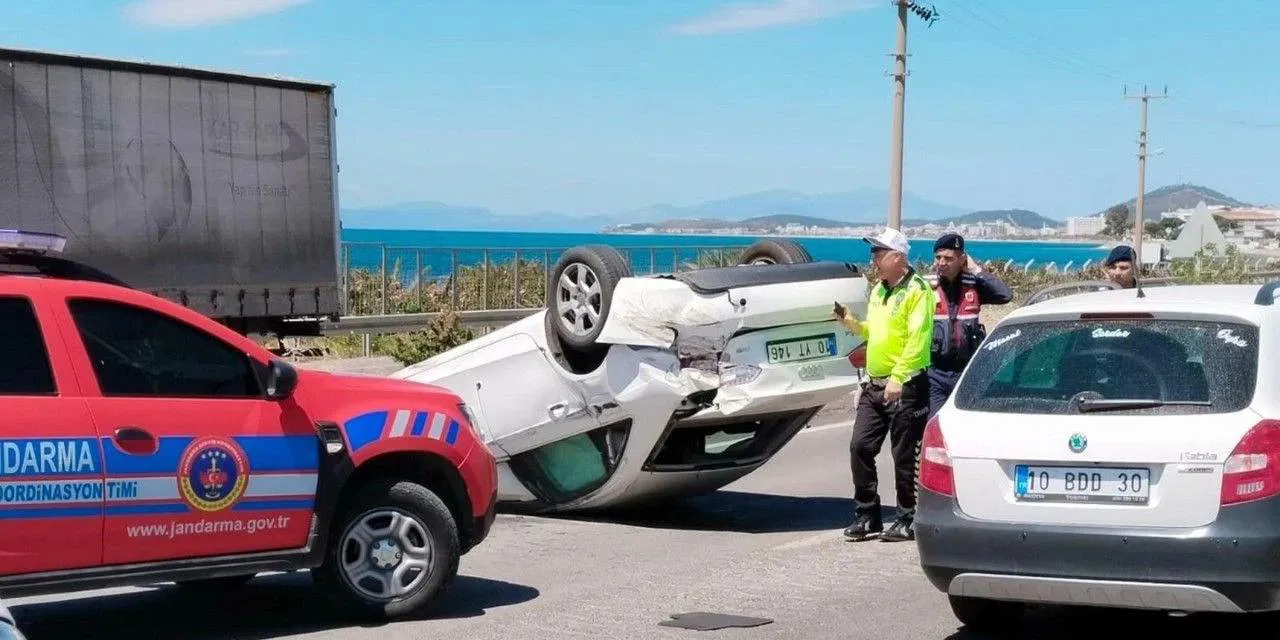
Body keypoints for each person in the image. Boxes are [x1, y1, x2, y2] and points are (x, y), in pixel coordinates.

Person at [833, 227, 935, 542]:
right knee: (860, 447)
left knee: (904, 456)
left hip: (906, 386)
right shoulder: (879, 290)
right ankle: (867, 515)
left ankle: (908, 518)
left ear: (898, 256)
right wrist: (851, 323)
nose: (873, 259)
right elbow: (876, 331)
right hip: (875, 385)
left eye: (879, 253)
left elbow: (918, 340)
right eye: (873, 253)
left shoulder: (918, 290)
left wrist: (898, 377)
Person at [928, 233, 1013, 417]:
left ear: (962, 259)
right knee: (935, 423)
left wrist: (976, 270)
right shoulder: (928, 285)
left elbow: (1005, 295)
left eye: (948, 258)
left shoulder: (974, 284)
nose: (941, 263)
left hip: (966, 371)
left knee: (965, 421)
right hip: (935, 372)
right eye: (938, 257)